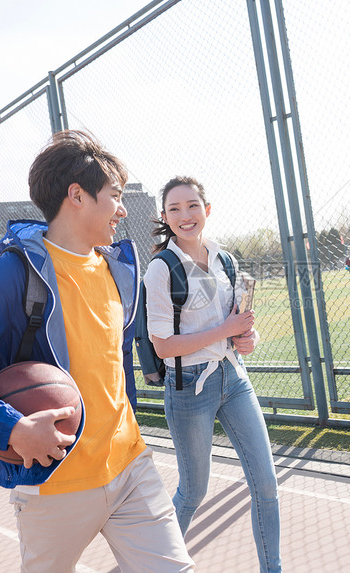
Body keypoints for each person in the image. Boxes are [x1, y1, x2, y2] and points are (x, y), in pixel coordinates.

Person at [0, 131, 194, 573]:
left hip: (130, 467)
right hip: (53, 484)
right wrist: (9, 427)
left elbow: (114, 370)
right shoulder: (14, 275)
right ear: (77, 195)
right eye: (115, 196)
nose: (122, 209)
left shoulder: (119, 272)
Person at [143, 176, 282, 573]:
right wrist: (224, 331)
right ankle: (155, 564)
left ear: (207, 208)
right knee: (192, 492)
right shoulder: (161, 269)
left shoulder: (225, 260)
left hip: (234, 379)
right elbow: (163, 346)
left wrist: (247, 336)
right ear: (165, 217)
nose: (185, 215)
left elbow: (236, 324)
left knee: (267, 486)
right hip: (189, 390)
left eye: (192, 206)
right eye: (174, 209)